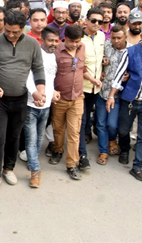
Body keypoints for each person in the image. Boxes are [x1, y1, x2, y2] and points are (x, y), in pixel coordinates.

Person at [0, 10, 45, 193]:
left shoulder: (32, 43)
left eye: (15, 32)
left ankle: (8, 169)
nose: (10, 34)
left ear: (24, 28)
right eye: (7, 30)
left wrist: (40, 91)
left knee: (14, 137)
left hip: (20, 99)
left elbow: (38, 68)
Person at [107, 26, 142, 181]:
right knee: (123, 131)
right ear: (141, 37)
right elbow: (118, 76)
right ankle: (124, 150)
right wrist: (111, 96)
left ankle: (137, 166)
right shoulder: (130, 53)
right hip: (130, 100)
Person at [22, 26, 59, 188]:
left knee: (39, 137)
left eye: (56, 41)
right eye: (50, 40)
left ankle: (33, 160)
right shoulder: (36, 55)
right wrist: (35, 93)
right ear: (42, 40)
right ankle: (35, 171)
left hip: (47, 105)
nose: (53, 44)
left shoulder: (54, 57)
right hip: (31, 104)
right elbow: (28, 78)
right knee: (31, 139)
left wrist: (53, 92)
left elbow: (50, 80)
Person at [49, 25, 86, 180]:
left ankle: (72, 164)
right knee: (58, 128)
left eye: (78, 41)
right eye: (73, 41)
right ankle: (58, 150)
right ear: (66, 38)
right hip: (59, 98)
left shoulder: (82, 48)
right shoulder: (56, 50)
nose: (75, 44)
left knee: (74, 133)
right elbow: (49, 73)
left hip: (77, 97)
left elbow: (82, 69)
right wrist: (51, 91)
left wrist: (93, 79)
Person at [78, 8, 106, 169]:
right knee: (81, 122)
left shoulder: (101, 36)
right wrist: (92, 78)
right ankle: (82, 155)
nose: (96, 24)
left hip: (96, 89)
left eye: (100, 22)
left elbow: (101, 57)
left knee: (88, 120)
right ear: (86, 20)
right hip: (82, 86)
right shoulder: (80, 38)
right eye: (93, 20)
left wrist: (105, 62)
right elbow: (78, 65)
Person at [96, 26, 127, 163]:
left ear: (125, 36)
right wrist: (102, 64)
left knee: (112, 124)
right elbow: (96, 57)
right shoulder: (107, 45)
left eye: (119, 38)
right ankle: (103, 151)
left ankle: (112, 139)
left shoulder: (131, 50)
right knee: (101, 123)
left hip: (118, 95)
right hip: (102, 91)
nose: (116, 41)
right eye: (113, 38)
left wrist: (129, 75)